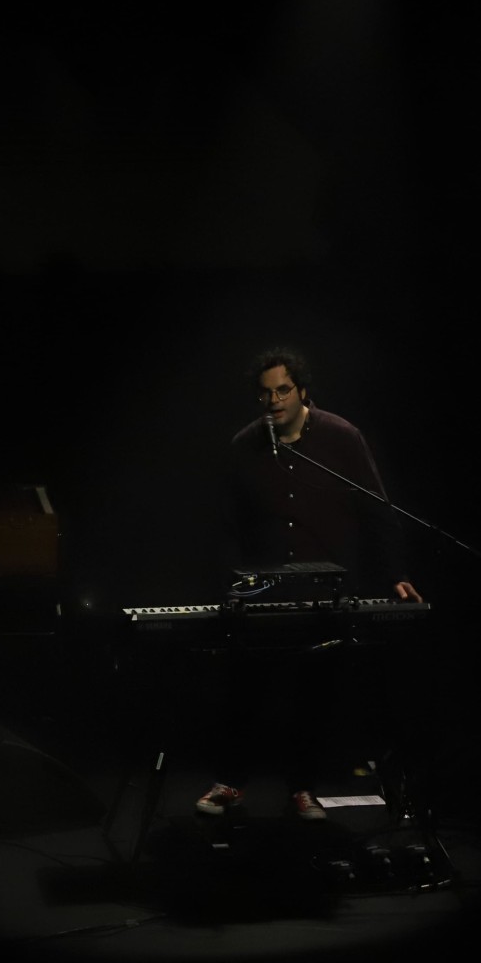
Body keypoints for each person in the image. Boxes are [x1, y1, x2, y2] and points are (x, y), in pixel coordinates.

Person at [195, 345, 423, 822]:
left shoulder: (341, 437)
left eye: (283, 390)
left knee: (315, 693)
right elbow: (226, 525)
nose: (274, 401)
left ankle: (302, 788)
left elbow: (376, 509)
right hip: (262, 592)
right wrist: (231, 585)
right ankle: (230, 781)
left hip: (326, 591)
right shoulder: (245, 444)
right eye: (266, 393)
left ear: (302, 390)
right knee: (246, 689)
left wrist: (397, 574)